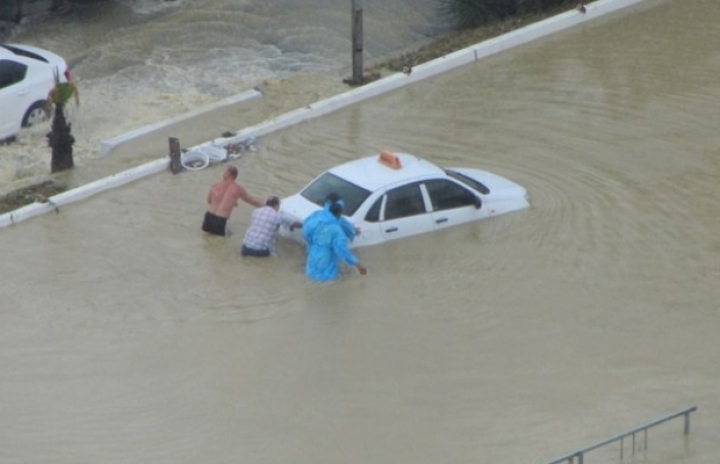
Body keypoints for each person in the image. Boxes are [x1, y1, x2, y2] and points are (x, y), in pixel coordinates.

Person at [305, 200, 367, 282]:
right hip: (325, 259)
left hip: (312, 255)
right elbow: (342, 250)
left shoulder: (318, 222)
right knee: (326, 284)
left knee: (310, 279)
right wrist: (358, 265)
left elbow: (307, 233)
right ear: (339, 214)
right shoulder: (337, 231)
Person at [201, 165, 263, 236]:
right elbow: (251, 200)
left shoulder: (215, 185)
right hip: (220, 220)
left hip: (208, 217)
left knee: (206, 237)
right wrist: (265, 206)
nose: (223, 174)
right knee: (227, 238)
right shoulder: (238, 189)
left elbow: (209, 201)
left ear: (229, 174)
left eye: (224, 172)